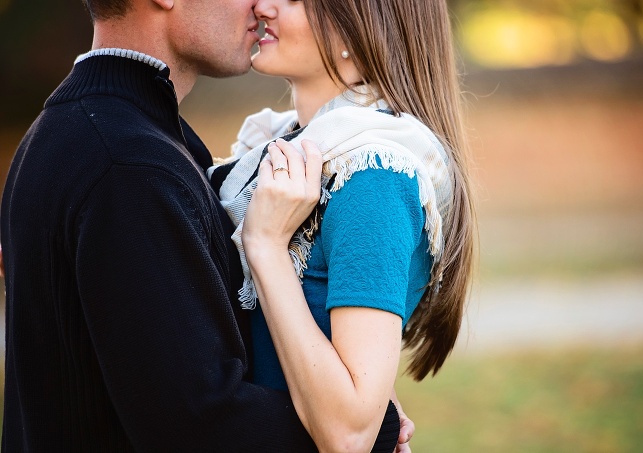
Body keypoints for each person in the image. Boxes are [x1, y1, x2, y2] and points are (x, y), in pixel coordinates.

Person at [0, 0, 411, 451]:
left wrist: (353, 387)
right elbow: (202, 425)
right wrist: (374, 430)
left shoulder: (76, 135)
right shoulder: (126, 164)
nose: (259, 4)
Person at [206, 0, 476, 451]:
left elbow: (349, 434)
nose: (263, 6)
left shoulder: (373, 176)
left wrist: (267, 246)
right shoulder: (281, 148)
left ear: (358, 30)